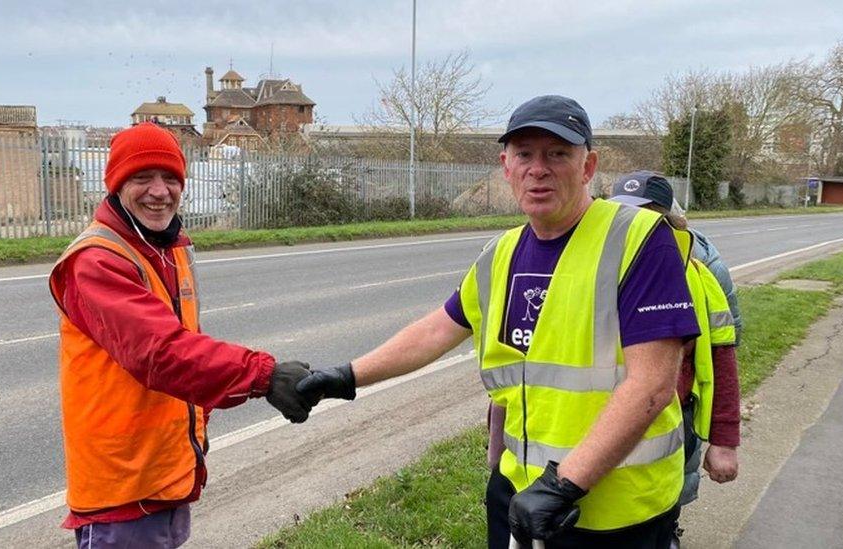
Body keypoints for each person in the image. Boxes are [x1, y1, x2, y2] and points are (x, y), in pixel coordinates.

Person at [298, 96, 701, 548]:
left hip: (615, 512)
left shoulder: (638, 239)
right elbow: (438, 330)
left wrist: (566, 483)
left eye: (558, 154)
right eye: (524, 154)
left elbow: (651, 385)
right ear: (505, 165)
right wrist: (347, 377)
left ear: (588, 166)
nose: (538, 168)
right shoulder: (501, 253)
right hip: (520, 493)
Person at [48, 122, 316, 549]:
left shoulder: (166, 249)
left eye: (171, 178)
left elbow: (187, 349)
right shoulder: (97, 260)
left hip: (164, 478)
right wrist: (264, 377)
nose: (160, 191)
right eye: (142, 178)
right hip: (122, 489)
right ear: (116, 184)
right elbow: (160, 353)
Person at [609, 171, 741, 548]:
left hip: (672, 421)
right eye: (623, 219)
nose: (633, 230)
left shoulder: (700, 277)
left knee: (664, 507)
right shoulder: (598, 274)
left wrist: (724, 441)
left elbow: (723, 364)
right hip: (606, 415)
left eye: (648, 219)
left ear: (670, 223)